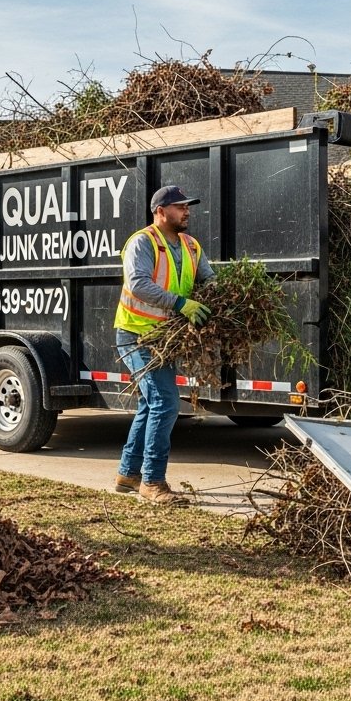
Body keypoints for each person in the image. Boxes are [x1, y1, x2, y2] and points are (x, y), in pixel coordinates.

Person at [113, 185, 216, 506]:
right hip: (136, 334)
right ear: (160, 212)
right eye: (180, 207)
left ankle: (128, 473)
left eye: (188, 206)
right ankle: (153, 481)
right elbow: (139, 284)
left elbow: (208, 279)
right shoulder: (143, 242)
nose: (187, 211)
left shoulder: (191, 245)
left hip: (164, 337)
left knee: (151, 403)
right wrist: (180, 304)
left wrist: (219, 294)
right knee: (166, 403)